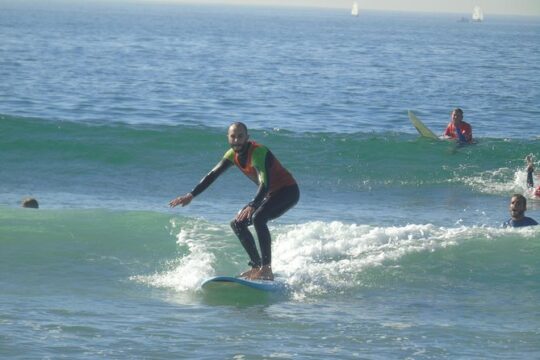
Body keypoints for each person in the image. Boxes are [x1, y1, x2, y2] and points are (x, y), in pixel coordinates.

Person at [169, 122, 299, 280]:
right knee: (237, 223)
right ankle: (257, 266)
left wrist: (253, 204)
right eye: (233, 136)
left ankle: (266, 269)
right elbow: (212, 175)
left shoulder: (258, 152)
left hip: (288, 191)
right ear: (228, 138)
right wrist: (191, 195)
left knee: (259, 218)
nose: (236, 140)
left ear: (247, 137)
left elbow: (264, 183)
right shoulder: (232, 155)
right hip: (270, 194)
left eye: (240, 136)